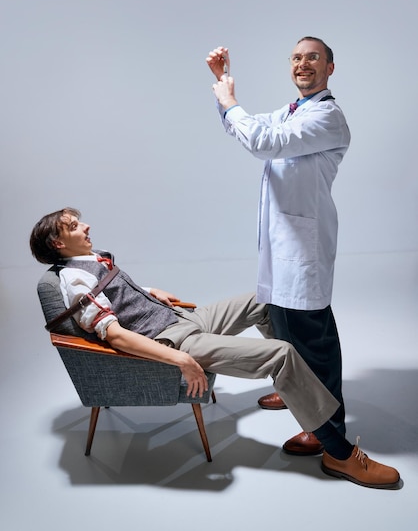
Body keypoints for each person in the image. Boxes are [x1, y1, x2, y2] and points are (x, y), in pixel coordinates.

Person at [30, 207, 401, 489]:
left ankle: (294, 389)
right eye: (75, 226)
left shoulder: (92, 260)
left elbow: (117, 291)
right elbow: (115, 336)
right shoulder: (74, 279)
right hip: (175, 339)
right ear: (58, 244)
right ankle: (339, 453)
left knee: (265, 300)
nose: (86, 226)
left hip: (178, 317)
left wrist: (150, 291)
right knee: (281, 354)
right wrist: (181, 359)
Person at [206, 38, 349, 456]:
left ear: (330, 68)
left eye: (313, 57)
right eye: (297, 57)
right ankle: (295, 392)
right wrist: (223, 86)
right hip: (281, 244)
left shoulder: (328, 117)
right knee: (281, 327)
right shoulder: (294, 111)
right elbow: (244, 127)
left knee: (312, 342)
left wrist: (230, 100)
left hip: (303, 252)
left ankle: (326, 429)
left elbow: (263, 143)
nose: (303, 64)